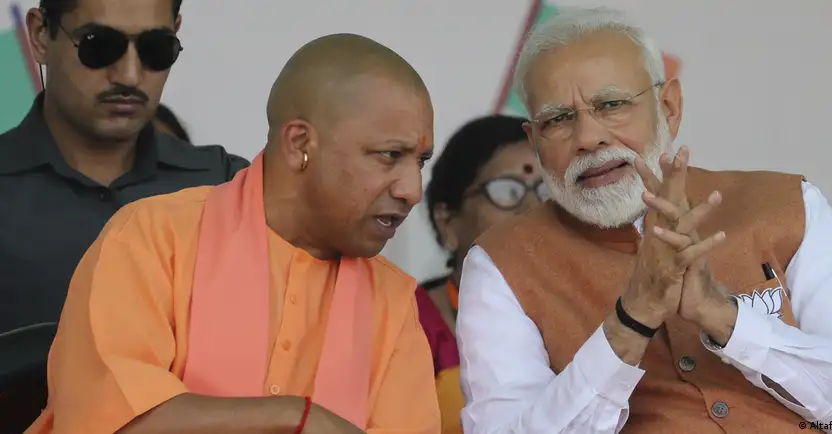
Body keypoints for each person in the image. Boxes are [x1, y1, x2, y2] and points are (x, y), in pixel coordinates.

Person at [455, 7, 832, 433]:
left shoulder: (787, 206)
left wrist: (723, 315)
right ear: (534, 141)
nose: (589, 138)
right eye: (558, 119)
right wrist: (631, 320)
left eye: (611, 105)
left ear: (669, 108)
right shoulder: (502, 264)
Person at [26, 33, 441, 434]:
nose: (412, 190)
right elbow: (108, 418)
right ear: (299, 143)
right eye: (389, 155)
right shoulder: (154, 239)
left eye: (420, 162)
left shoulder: (392, 300)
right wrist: (294, 417)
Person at [0, 0, 249, 334]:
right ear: (40, 34)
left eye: (155, 48)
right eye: (99, 46)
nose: (129, 75)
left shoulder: (227, 187)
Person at [417, 114, 546, 434]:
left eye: (547, 191)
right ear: (447, 220)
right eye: (507, 191)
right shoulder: (408, 323)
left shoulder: (590, 312)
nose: (533, 208)